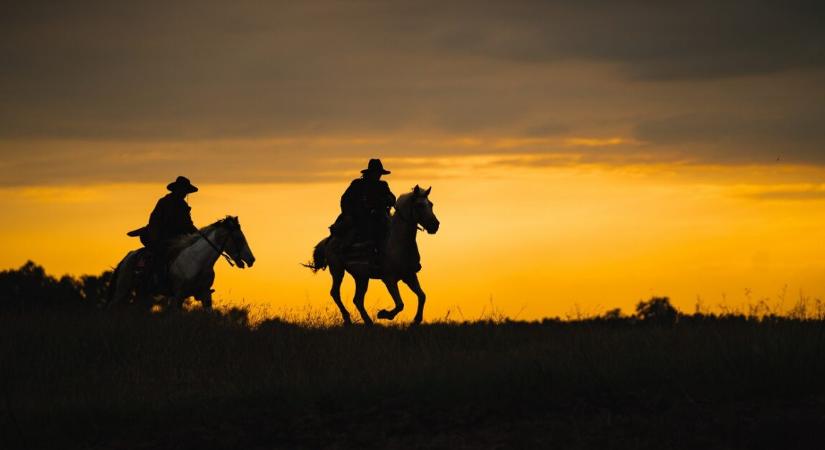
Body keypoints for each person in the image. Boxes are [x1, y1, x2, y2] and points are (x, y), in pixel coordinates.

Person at [128, 176, 199, 286]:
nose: (184, 193)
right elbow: (154, 221)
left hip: (177, 238)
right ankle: (151, 276)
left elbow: (188, 224)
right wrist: (157, 237)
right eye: (182, 190)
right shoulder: (164, 202)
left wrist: (199, 235)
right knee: (160, 253)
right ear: (176, 190)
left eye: (185, 191)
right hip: (160, 236)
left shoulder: (183, 206)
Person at [334, 159, 396, 254]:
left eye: (380, 173)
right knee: (355, 230)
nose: (379, 175)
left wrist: (388, 200)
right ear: (371, 173)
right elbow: (345, 199)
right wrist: (347, 214)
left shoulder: (383, 185)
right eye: (377, 173)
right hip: (360, 216)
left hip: (380, 215)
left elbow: (392, 198)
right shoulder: (357, 184)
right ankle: (346, 250)